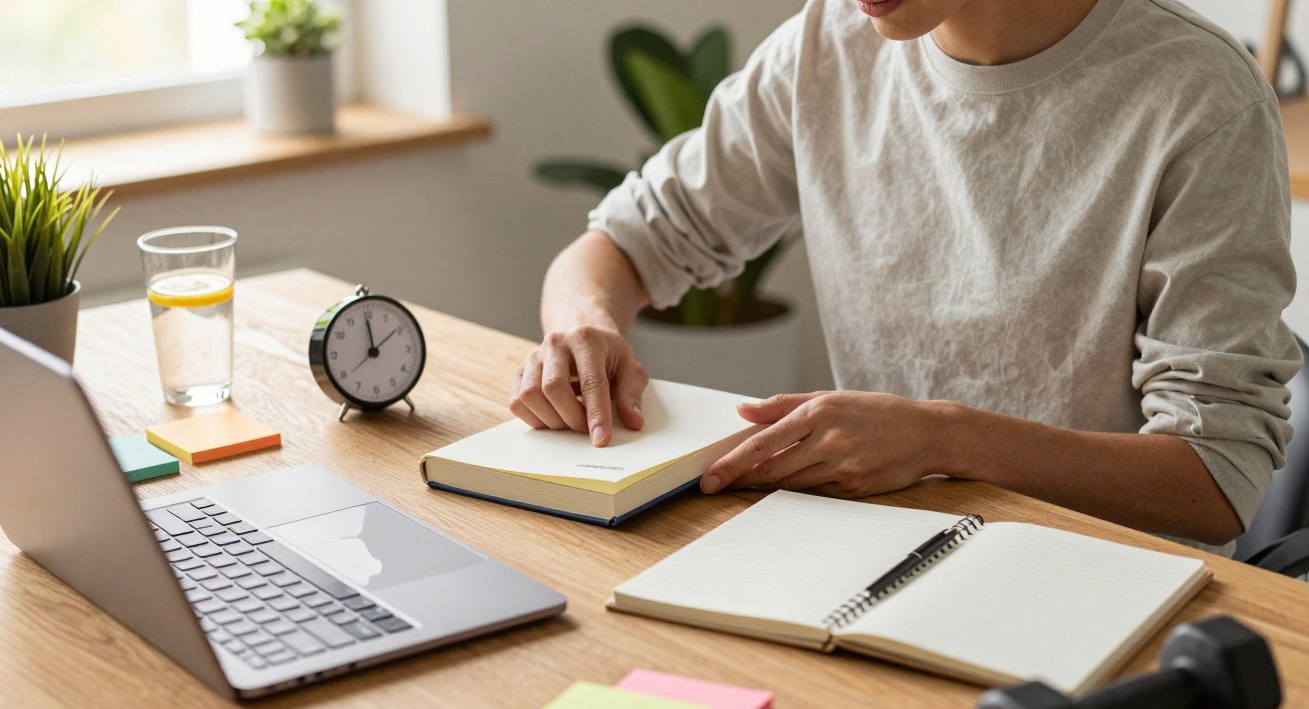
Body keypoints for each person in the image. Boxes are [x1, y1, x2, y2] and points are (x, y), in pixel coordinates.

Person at [509, 0, 1301, 555]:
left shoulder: (1199, 95)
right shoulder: (827, 45)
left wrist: (942, 439)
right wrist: (584, 328)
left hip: (1111, 587)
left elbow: (1215, 481)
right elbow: (625, 241)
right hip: (881, 554)